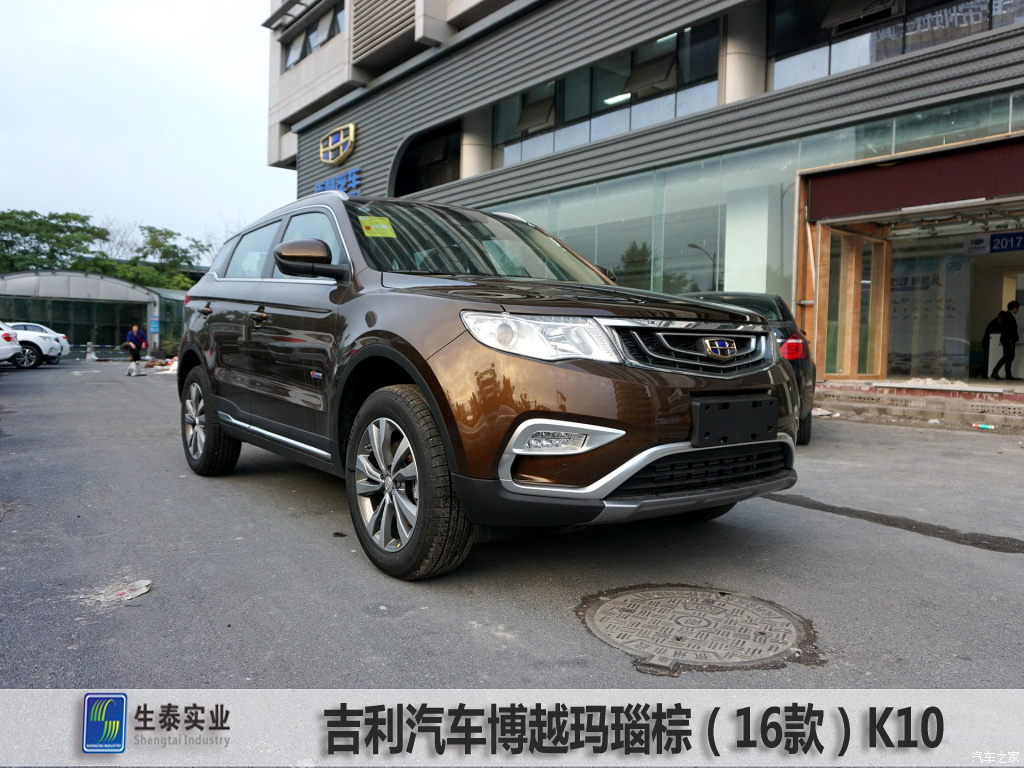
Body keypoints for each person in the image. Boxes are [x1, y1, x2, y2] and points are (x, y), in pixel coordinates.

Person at [990, 300, 1020, 381]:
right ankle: (995, 372)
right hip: (1008, 340)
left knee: (1009, 357)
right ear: (1014, 308)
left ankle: (1008, 374)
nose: (1017, 310)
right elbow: (1008, 329)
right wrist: (1010, 339)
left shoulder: (1007, 315)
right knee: (1007, 357)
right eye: (1017, 308)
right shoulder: (1008, 316)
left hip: (1008, 340)